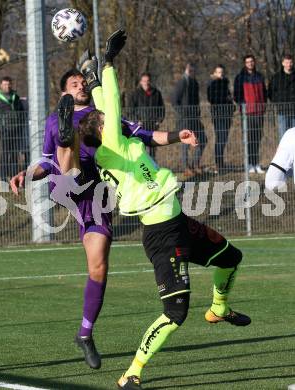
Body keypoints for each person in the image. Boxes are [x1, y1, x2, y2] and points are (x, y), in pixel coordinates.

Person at [62, 30, 250, 390]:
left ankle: (219, 310)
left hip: (177, 221)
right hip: (162, 235)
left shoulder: (118, 140)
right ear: (100, 133)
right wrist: (108, 66)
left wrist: (92, 75)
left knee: (230, 257)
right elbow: (112, 104)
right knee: (175, 313)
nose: (107, 119)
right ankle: (131, 373)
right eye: (102, 122)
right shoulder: (109, 147)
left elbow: (106, 109)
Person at [10, 63, 190, 371]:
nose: (81, 86)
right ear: (64, 93)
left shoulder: (103, 118)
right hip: (67, 182)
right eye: (74, 84)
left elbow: (145, 135)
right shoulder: (54, 120)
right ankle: (71, 139)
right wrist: (28, 174)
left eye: (83, 82)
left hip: (96, 196)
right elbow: (45, 161)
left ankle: (85, 334)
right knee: (68, 157)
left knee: (99, 266)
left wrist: (177, 136)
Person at [171, 63, 207, 178]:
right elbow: (174, 101)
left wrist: (197, 114)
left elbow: (196, 101)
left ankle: (195, 165)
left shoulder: (195, 83)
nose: (192, 72)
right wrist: (183, 113)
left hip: (195, 119)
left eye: (193, 70)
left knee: (202, 140)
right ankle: (186, 168)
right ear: (187, 70)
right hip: (184, 120)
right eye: (190, 70)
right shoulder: (182, 82)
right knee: (185, 145)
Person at [234, 55, 267, 174]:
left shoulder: (259, 76)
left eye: (252, 61)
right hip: (247, 113)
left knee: (257, 138)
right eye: (248, 62)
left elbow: (264, 92)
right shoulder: (240, 77)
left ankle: (256, 164)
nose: (250, 63)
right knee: (249, 139)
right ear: (245, 63)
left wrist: (263, 106)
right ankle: (249, 164)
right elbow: (236, 95)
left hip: (259, 113)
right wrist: (243, 105)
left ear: (254, 62)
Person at [0, 76, 26, 181]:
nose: (7, 86)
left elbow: (21, 112)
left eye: (9, 84)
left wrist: (21, 125)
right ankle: (3, 178)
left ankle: (13, 178)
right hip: (4, 131)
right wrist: (0, 128)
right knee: (5, 154)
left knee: (15, 154)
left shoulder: (16, 97)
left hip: (16, 131)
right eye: (5, 84)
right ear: (1, 85)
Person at [129, 72, 165, 159]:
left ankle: (153, 165)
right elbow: (130, 109)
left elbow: (162, 108)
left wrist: (159, 120)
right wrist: (137, 121)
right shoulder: (135, 94)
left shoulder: (157, 93)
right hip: (140, 126)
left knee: (153, 148)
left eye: (148, 81)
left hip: (153, 125)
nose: (146, 83)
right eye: (144, 81)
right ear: (141, 82)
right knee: (141, 147)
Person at [207, 65, 234, 173]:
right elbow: (212, 99)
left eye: (222, 72)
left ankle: (221, 163)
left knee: (224, 139)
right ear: (214, 73)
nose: (220, 74)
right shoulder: (212, 84)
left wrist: (231, 105)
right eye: (218, 72)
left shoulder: (226, 84)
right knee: (220, 139)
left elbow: (229, 98)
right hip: (218, 116)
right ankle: (219, 164)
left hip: (227, 115)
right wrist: (225, 99)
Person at [268, 54, 295, 140]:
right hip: (282, 111)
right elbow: (270, 92)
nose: (289, 65)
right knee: (283, 137)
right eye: (287, 62)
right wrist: (278, 102)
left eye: (290, 62)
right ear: (283, 63)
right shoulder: (276, 77)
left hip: (294, 111)